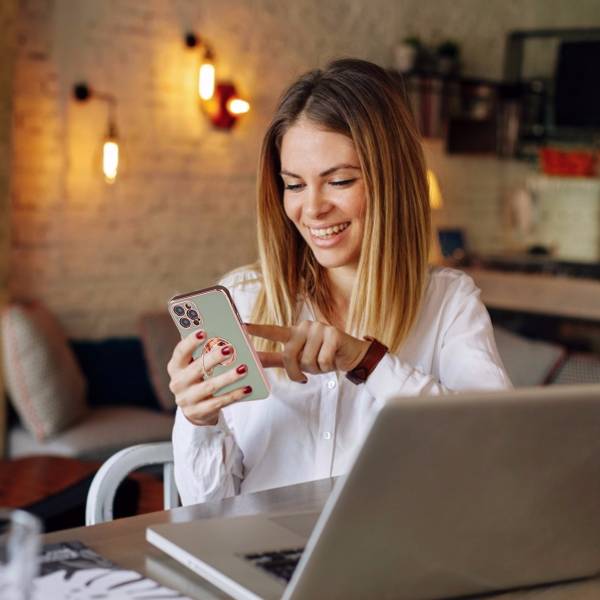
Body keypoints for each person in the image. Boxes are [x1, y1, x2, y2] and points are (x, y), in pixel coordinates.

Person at [168, 58, 512, 506]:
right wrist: (199, 422)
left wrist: (366, 360)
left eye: (340, 181)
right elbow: (207, 508)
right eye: (294, 185)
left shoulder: (449, 304)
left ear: (391, 182)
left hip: (390, 561)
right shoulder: (245, 298)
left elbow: (494, 450)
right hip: (260, 556)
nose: (312, 209)